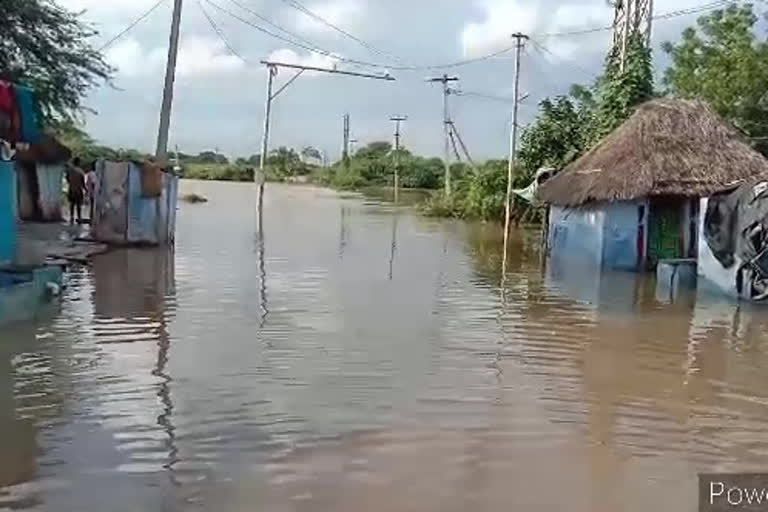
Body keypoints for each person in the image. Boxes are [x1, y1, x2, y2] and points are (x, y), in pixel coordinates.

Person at [66, 157, 86, 224]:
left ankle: (71, 217)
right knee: (78, 205)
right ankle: (79, 217)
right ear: (79, 163)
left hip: (71, 189)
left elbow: (67, 179)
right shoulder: (81, 171)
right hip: (78, 190)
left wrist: (71, 183)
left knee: (72, 204)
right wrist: (86, 189)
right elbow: (83, 183)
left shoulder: (70, 170)